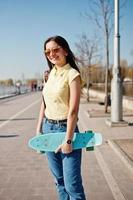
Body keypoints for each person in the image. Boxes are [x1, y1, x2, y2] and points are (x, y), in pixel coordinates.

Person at [36, 35, 86, 200]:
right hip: (48, 128)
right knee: (59, 181)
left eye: (55, 49)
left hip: (66, 129)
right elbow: (44, 103)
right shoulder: (50, 74)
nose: (51, 54)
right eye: (47, 51)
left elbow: (73, 110)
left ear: (65, 50)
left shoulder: (72, 75)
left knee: (73, 185)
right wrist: (38, 130)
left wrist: (69, 140)